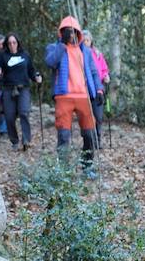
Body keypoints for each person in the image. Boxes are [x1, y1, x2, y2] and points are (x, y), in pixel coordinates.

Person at [44, 16, 105, 177]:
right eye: (66, 31)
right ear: (61, 32)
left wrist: (99, 90)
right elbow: (50, 62)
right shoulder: (54, 47)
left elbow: (93, 71)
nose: (70, 34)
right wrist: (62, 44)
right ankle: (64, 172)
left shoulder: (85, 50)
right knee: (64, 135)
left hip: (84, 96)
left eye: (73, 31)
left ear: (78, 32)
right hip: (64, 96)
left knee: (89, 134)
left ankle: (87, 167)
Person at [0, 33, 42, 151]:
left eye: (14, 42)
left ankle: (26, 140)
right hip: (8, 89)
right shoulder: (3, 56)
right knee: (9, 117)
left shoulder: (25, 55)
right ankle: (14, 141)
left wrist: (36, 77)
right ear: (7, 44)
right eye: (9, 43)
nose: (12, 45)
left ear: (18, 43)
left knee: (24, 113)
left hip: (23, 88)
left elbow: (31, 70)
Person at [82, 30, 111, 148]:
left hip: (98, 88)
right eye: (83, 41)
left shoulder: (97, 53)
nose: (86, 43)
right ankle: (89, 141)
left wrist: (106, 76)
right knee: (87, 117)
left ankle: (98, 139)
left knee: (98, 116)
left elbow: (104, 69)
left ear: (91, 41)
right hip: (85, 89)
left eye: (87, 40)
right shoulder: (79, 53)